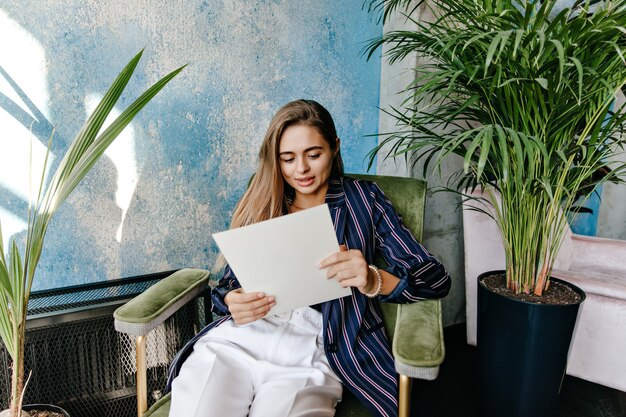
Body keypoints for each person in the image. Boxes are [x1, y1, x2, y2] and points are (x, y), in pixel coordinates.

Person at [166, 99, 451, 417]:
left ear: (335, 148)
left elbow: (434, 277)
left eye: (313, 155)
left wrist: (373, 279)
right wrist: (233, 299)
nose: (300, 170)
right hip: (239, 340)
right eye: (287, 159)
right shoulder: (266, 200)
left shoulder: (364, 200)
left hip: (315, 346)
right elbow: (227, 289)